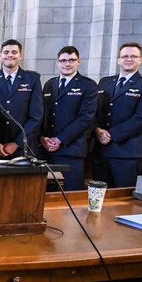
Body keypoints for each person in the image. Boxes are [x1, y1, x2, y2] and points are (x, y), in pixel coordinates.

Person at [92, 42, 142, 188]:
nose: (129, 59)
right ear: (118, 60)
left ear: (140, 60)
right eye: (125, 56)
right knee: (99, 197)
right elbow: (94, 111)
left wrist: (111, 134)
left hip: (127, 151)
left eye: (134, 56)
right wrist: (97, 130)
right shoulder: (105, 82)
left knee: (123, 198)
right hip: (101, 150)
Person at [39, 46, 98, 191]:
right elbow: (42, 113)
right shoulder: (49, 84)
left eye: (71, 60)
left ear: (79, 61)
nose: (67, 64)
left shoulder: (88, 85)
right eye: (63, 60)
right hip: (47, 150)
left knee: (72, 194)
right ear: (57, 62)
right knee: (47, 194)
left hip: (72, 149)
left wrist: (60, 139)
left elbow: (86, 117)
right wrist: (43, 138)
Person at [0, 39, 43, 160]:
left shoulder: (32, 79)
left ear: (21, 55)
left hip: (24, 146)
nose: (10, 55)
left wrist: (17, 143)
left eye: (14, 52)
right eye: (6, 52)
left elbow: (36, 116)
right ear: (0, 55)